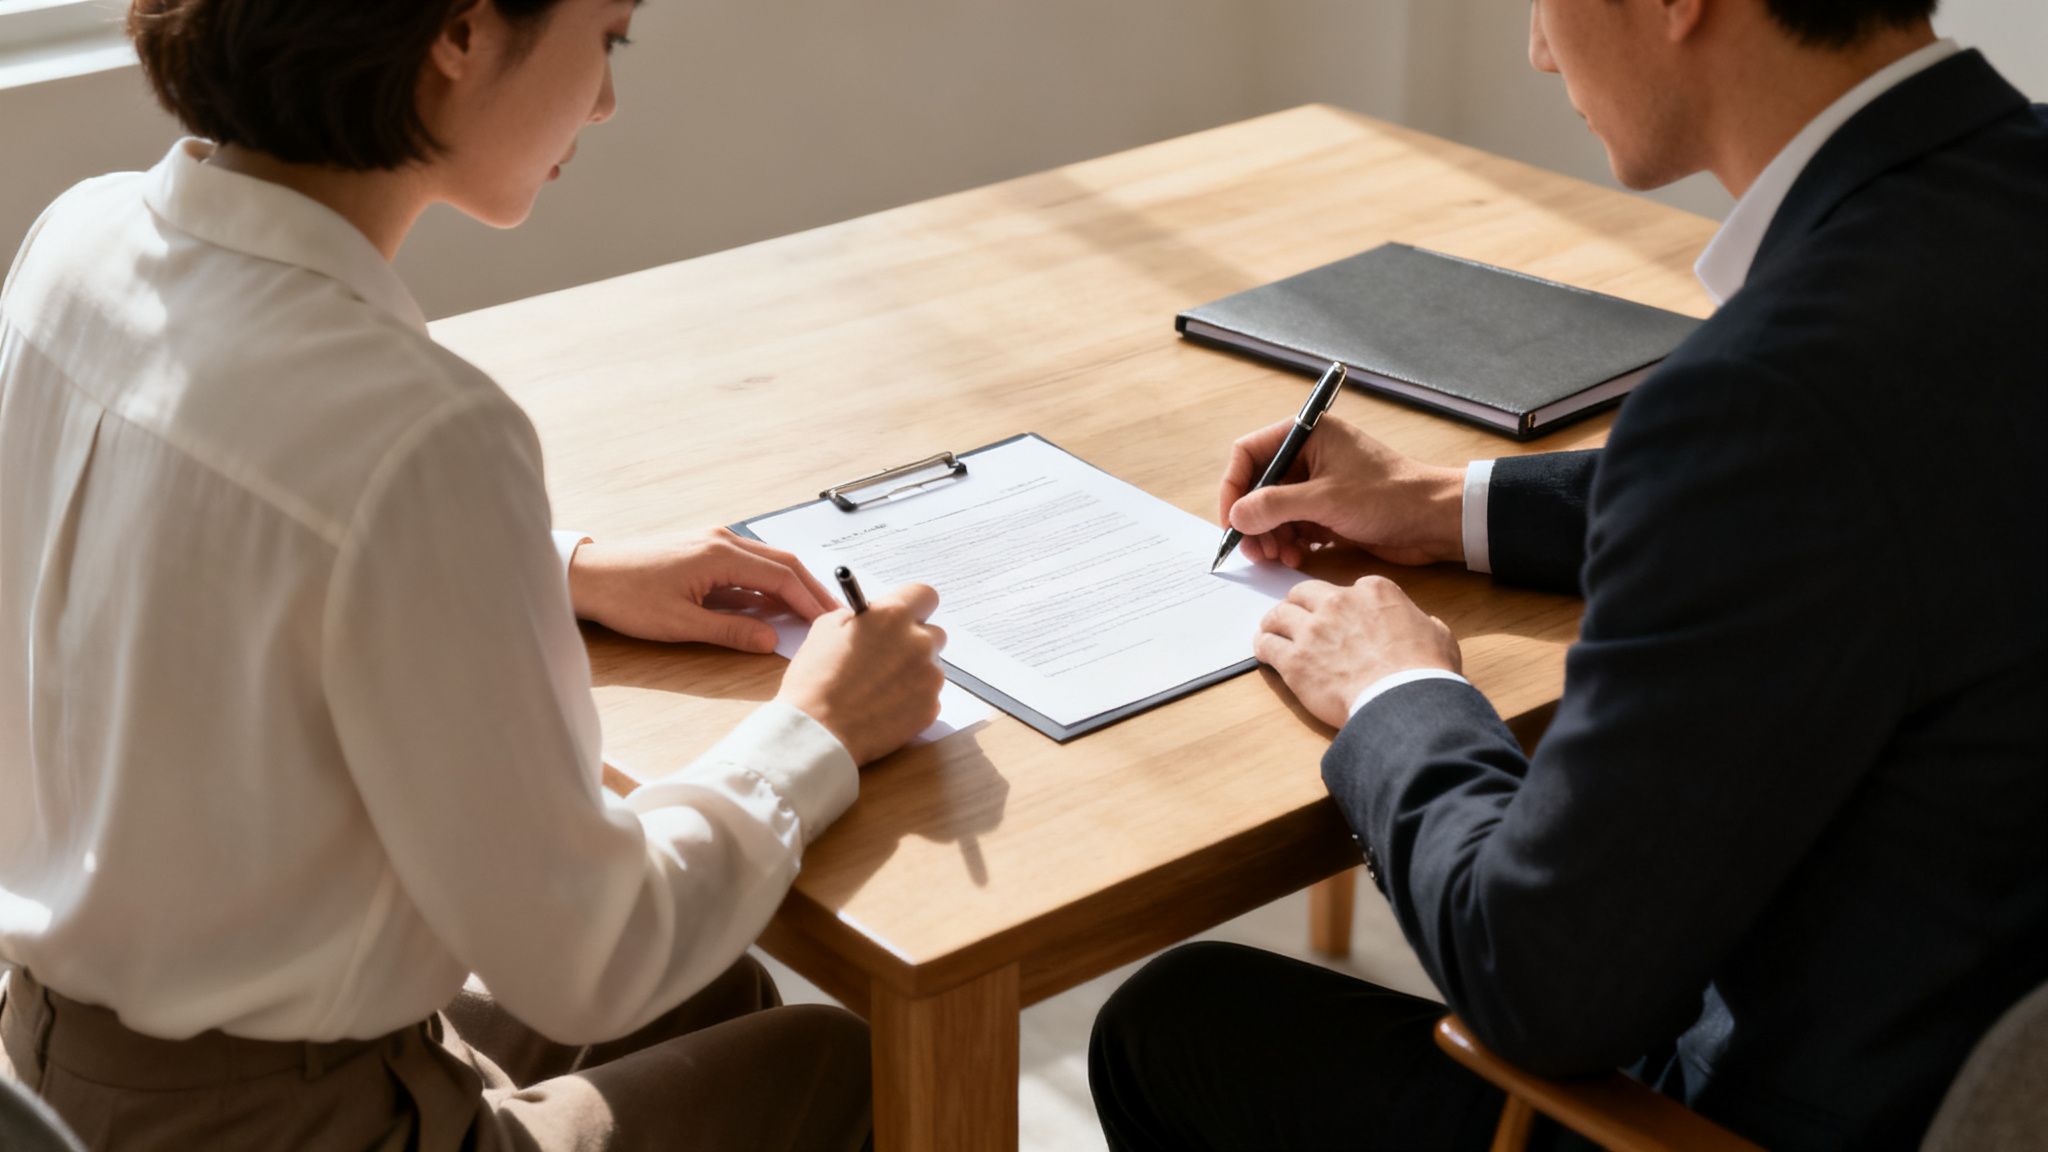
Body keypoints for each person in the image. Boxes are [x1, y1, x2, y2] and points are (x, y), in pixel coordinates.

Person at [1091, 1, 2048, 1149]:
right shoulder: (1996, 211)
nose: (1536, 49)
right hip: (1980, 1015)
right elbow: (1895, 462)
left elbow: (1538, 980)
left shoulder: (1767, 395)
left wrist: (1397, 696)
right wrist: (1447, 506)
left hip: (1790, 1109)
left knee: (1171, 1027)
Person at [0, 1, 948, 1148]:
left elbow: (227, 527)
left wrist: (558, 570)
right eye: (608, 36)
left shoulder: (79, 240)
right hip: (289, 1121)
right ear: (460, 30)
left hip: (56, 1066)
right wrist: (820, 728)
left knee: (718, 994)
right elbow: (591, 955)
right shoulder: (423, 434)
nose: (604, 99)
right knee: (845, 1072)